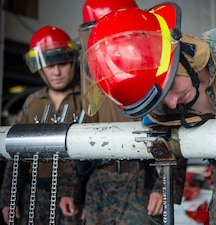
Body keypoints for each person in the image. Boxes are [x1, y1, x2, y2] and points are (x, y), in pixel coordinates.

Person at [83, 3, 216, 224]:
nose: (172, 103)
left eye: (170, 84)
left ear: (180, 55)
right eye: (159, 100)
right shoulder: (160, 113)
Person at [58, 1, 169, 224]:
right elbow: (80, 141)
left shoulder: (153, 75)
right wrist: (71, 191)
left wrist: (163, 188)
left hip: (139, 181)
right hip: (98, 183)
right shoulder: (93, 84)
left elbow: (176, 139)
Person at [0, 26, 85, 224]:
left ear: (72, 62)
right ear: (39, 67)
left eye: (62, 63)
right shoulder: (32, 102)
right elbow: (16, 154)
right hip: (33, 193)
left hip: (74, 196)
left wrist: (85, 198)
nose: (56, 71)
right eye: (49, 65)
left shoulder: (86, 99)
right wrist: (9, 198)